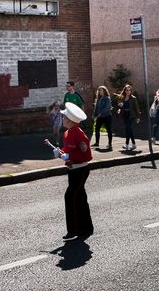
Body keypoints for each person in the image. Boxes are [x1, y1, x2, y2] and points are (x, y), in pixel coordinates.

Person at [46, 102, 93, 240]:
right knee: (80, 197)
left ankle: (73, 231)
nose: (62, 119)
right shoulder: (67, 133)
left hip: (80, 169)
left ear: (71, 120)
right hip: (73, 169)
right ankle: (85, 228)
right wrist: (60, 154)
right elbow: (69, 152)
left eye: (64, 117)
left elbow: (86, 155)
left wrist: (69, 156)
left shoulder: (79, 133)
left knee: (70, 197)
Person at [115, 84, 140, 151]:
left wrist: (138, 117)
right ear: (125, 91)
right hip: (124, 115)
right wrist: (120, 105)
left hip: (131, 115)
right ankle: (134, 144)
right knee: (129, 130)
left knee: (127, 129)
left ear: (131, 91)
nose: (128, 91)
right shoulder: (122, 98)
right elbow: (119, 106)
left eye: (129, 90)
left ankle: (127, 144)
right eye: (127, 90)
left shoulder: (133, 98)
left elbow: (136, 108)